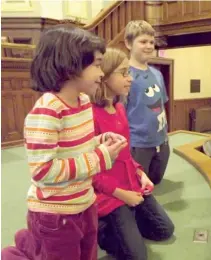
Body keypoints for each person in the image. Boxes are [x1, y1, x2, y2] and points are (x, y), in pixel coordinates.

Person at [1, 25, 127, 260]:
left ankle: (30, 244)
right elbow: (43, 171)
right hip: (55, 216)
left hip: (84, 203)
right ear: (71, 66)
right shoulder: (47, 112)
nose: (102, 74)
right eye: (97, 65)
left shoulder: (83, 101)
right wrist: (100, 158)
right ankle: (20, 250)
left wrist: (101, 141)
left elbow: (78, 145)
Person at [90, 47, 174, 260]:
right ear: (105, 76)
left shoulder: (119, 108)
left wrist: (140, 174)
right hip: (110, 193)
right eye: (124, 73)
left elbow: (126, 155)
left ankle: (128, 224)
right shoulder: (91, 115)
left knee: (165, 230)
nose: (130, 79)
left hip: (130, 183)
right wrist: (123, 195)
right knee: (137, 257)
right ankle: (104, 230)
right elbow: (92, 172)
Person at [124, 20, 170, 185]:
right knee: (137, 188)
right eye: (143, 42)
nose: (149, 46)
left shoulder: (157, 74)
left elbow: (161, 105)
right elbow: (120, 114)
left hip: (162, 142)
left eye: (151, 42)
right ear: (128, 44)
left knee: (155, 183)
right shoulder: (125, 76)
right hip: (138, 146)